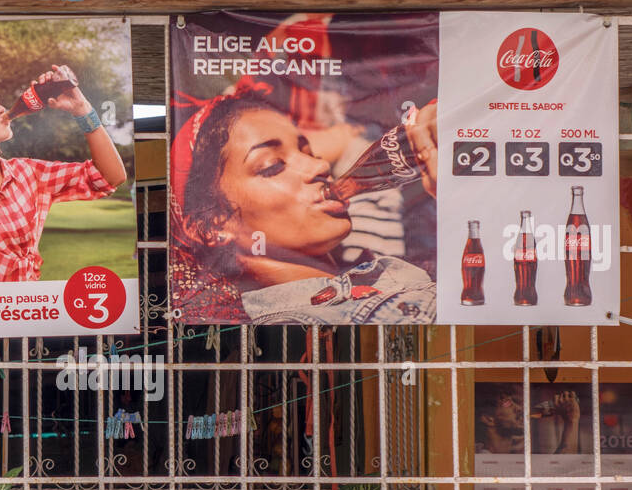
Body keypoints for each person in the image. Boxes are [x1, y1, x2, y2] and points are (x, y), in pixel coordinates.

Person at [169, 81, 437, 324]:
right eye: (272, 166)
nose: (320, 165)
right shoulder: (299, 328)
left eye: (309, 152)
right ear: (213, 225)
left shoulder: (375, 270)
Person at [0, 66, 128, 283]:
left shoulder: (28, 173)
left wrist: (82, 110)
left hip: (36, 309)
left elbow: (110, 177)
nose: (0, 109)